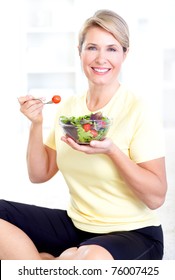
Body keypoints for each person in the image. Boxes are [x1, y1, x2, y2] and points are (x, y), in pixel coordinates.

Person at [0, 9, 167, 260]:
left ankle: (54, 261)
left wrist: (112, 151)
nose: (101, 59)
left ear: (125, 54)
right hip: (76, 226)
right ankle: (45, 263)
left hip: (133, 233)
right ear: (79, 52)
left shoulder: (137, 109)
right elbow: (39, 174)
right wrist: (36, 124)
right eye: (92, 48)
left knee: (89, 260)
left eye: (111, 49)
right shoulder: (69, 109)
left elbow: (156, 197)